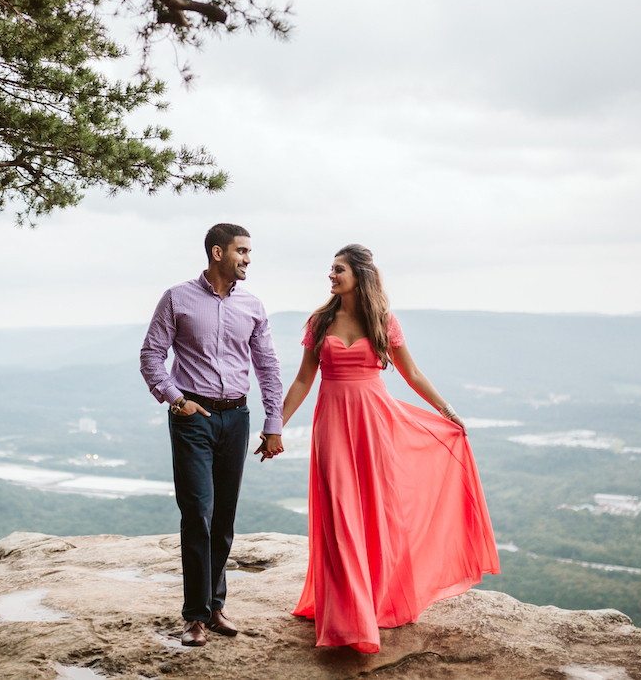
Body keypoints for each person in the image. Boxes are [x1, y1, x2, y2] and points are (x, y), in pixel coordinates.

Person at [272, 244, 499, 653]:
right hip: (333, 427)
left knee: (376, 513)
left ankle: (373, 603)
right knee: (340, 516)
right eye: (331, 269)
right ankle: (348, 617)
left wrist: (447, 411)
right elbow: (304, 380)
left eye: (338, 269)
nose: (331, 275)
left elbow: (411, 372)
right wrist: (275, 426)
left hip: (375, 424)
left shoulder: (383, 320)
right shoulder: (319, 322)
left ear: (359, 275)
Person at [139, 223, 284, 647]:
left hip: (235, 417)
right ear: (217, 252)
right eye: (242, 251)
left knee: (223, 519)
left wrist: (272, 423)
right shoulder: (177, 297)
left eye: (250, 252)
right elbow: (151, 354)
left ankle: (215, 605)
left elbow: (268, 367)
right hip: (192, 417)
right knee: (197, 513)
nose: (248, 259)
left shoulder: (253, 305)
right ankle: (195, 616)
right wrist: (174, 398)